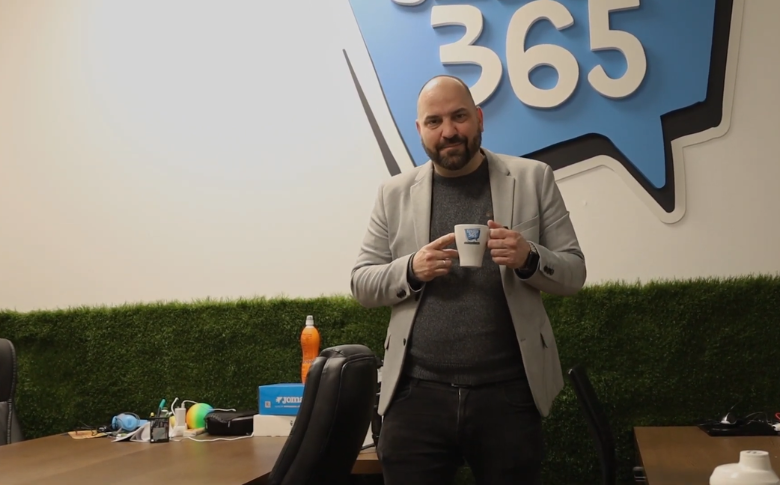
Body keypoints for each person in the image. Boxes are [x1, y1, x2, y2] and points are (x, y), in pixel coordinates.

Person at [350, 74, 586, 485]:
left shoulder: (533, 178)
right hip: (414, 396)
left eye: (459, 116)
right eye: (434, 121)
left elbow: (574, 273)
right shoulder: (394, 193)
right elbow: (361, 283)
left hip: (509, 394)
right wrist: (411, 269)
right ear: (420, 129)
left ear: (478, 118)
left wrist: (529, 258)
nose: (449, 131)